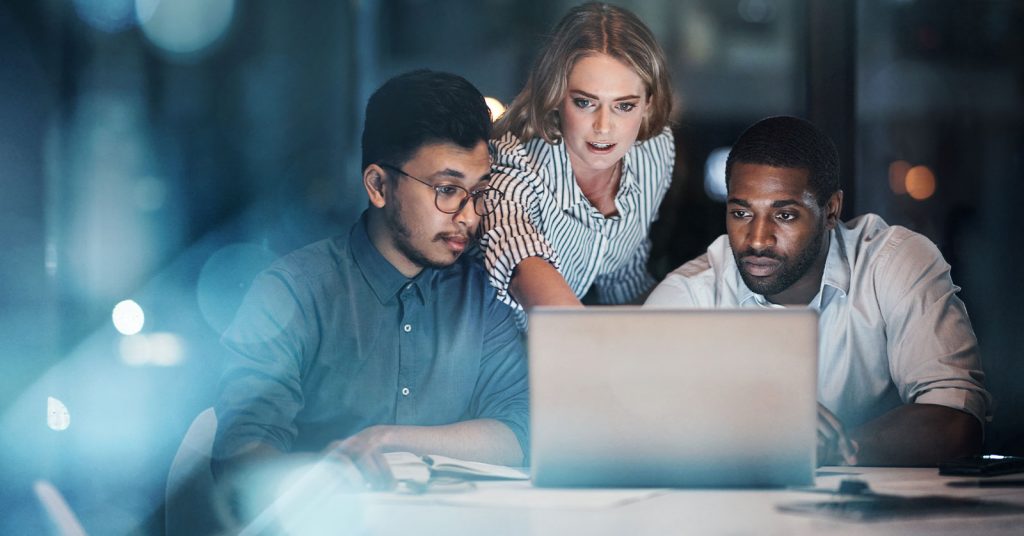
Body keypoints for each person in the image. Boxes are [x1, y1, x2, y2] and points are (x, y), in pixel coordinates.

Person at [212, 70, 529, 498]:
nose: (469, 216)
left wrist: (388, 441)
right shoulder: (293, 293)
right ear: (378, 185)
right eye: (447, 189)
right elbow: (241, 455)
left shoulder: (482, 294)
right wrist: (326, 477)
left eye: (478, 192)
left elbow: (519, 431)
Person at [646, 116, 990, 466]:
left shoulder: (891, 264)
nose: (758, 239)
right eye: (741, 213)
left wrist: (827, 450)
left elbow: (957, 421)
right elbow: (636, 433)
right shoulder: (687, 298)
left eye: (785, 216)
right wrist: (745, 426)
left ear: (831, 211)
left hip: (883, 517)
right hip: (738, 518)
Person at [481, 2, 675, 325]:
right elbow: (519, 261)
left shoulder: (654, 151)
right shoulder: (515, 165)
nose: (603, 126)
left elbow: (622, 279)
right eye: (585, 102)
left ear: (648, 104)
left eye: (624, 106)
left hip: (573, 348)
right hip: (492, 356)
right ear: (557, 96)